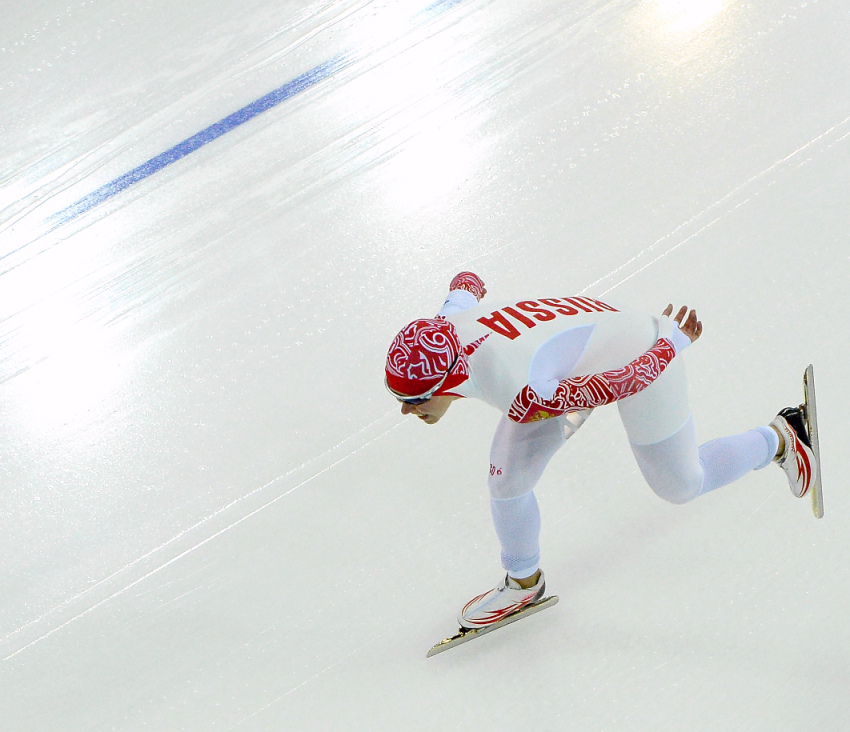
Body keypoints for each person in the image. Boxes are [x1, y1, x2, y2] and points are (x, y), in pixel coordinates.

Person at [384, 272, 818, 630]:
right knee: (507, 479)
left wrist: (672, 344)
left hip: (640, 355)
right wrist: (471, 291)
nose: (406, 410)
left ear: (447, 381)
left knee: (681, 484)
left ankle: (781, 437)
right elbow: (466, 284)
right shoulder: (444, 325)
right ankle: (522, 583)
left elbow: (614, 385)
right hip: (575, 354)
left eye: (416, 400)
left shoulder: (519, 388)